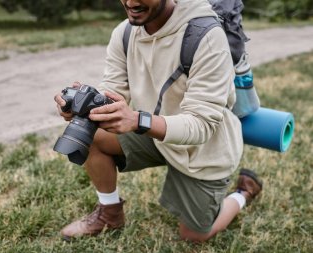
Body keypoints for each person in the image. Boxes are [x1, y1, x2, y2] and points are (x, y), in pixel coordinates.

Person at [54, 0, 262, 242]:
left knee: (194, 236)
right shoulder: (124, 32)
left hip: (202, 150)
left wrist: (137, 121)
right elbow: (114, 89)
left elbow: (202, 125)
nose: (131, 2)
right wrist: (87, 106)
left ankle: (244, 193)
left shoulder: (207, 36)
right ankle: (109, 214)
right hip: (153, 131)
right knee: (93, 134)